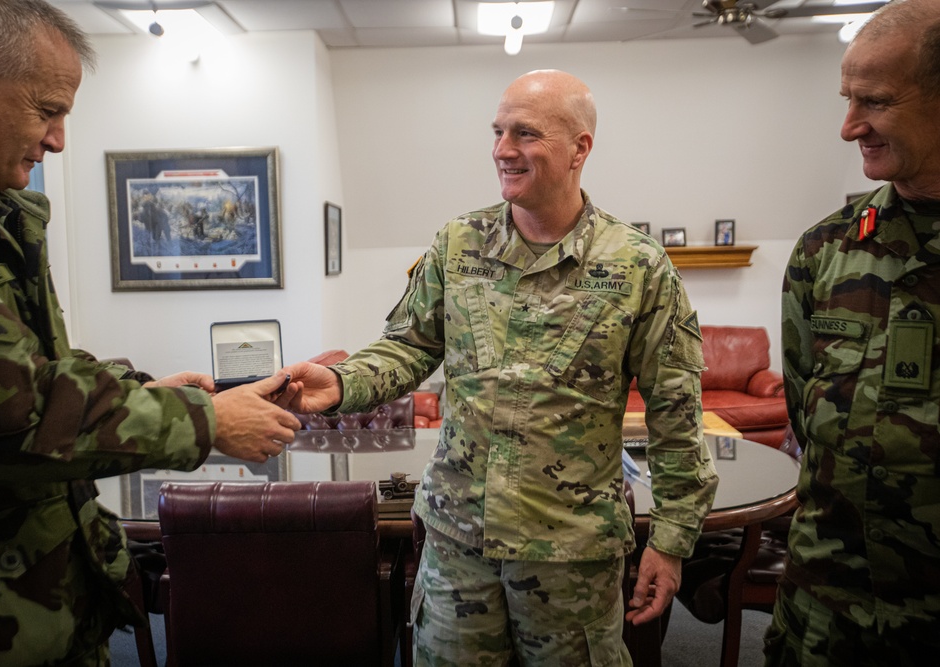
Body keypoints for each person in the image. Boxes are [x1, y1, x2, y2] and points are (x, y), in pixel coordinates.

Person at [284, 69, 718, 665]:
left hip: (571, 554)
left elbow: (677, 413)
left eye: (525, 134)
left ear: (580, 148)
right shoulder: (458, 244)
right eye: (498, 132)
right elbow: (408, 346)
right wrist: (338, 383)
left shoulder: (637, 267)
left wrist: (669, 541)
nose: (502, 150)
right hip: (458, 546)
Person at [0, 1, 301, 664]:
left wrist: (146, 392)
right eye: (46, 109)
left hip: (43, 610)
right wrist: (203, 420)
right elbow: (12, 416)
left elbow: (32, 369)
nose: (57, 140)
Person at [770, 0, 940, 663]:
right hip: (827, 616)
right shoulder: (826, 251)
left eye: (875, 101)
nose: (848, 127)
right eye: (847, 99)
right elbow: (807, 420)